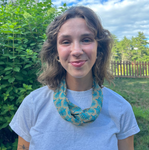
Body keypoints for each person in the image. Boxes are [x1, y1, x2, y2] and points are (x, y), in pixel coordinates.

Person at [9, 6, 140, 150]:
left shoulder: (121, 109)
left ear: (99, 49)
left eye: (86, 39)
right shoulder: (33, 105)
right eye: (66, 41)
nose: (76, 51)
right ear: (56, 52)